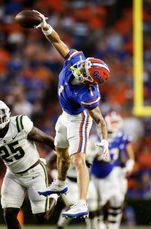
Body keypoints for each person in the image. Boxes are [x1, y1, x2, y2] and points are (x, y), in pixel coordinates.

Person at [34, 10, 111, 218]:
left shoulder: (89, 94)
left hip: (79, 119)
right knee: (60, 152)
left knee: (79, 159)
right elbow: (58, 42)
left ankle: (82, 203)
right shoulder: (76, 59)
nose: (81, 68)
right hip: (64, 115)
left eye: (85, 71)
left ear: (90, 80)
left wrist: (104, 142)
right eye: (85, 65)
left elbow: (99, 120)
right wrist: (45, 27)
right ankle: (59, 183)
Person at [0, 99, 57, 229]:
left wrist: (66, 154)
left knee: (42, 217)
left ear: (7, 112)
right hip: (13, 175)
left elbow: (46, 139)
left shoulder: (19, 123)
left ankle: (55, 192)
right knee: (9, 213)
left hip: (34, 171)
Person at [90, 111, 135, 229]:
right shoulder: (95, 137)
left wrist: (128, 165)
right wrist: (95, 154)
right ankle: (100, 223)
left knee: (117, 199)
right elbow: (88, 156)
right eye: (113, 122)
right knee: (97, 202)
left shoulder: (122, 136)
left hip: (116, 171)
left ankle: (113, 225)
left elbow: (129, 156)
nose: (114, 125)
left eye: (116, 122)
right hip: (97, 171)